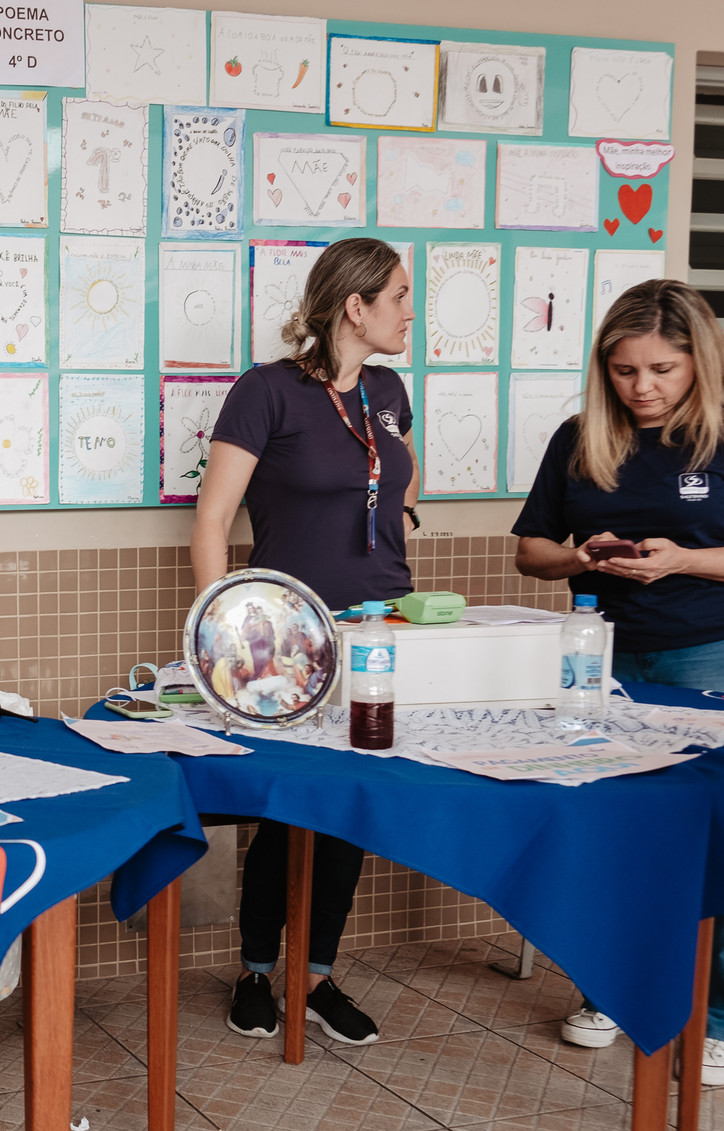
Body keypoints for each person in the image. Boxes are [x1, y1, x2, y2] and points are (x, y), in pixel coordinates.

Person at [513, 278, 724, 1086]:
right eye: (624, 370)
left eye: (663, 369)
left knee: (722, 833)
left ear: (700, 361)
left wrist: (683, 560)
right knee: (612, 830)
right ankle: (613, 989)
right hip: (603, 657)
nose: (642, 387)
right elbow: (531, 550)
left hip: (713, 653)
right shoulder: (583, 437)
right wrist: (581, 556)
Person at [190, 236, 421, 1047]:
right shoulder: (266, 392)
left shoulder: (389, 390)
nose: (409, 311)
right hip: (285, 639)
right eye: (398, 295)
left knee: (350, 807)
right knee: (288, 809)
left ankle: (317, 975)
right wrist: (223, 637)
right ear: (354, 307)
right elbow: (214, 520)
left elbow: (399, 479)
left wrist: (388, 532)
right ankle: (256, 968)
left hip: (381, 630)